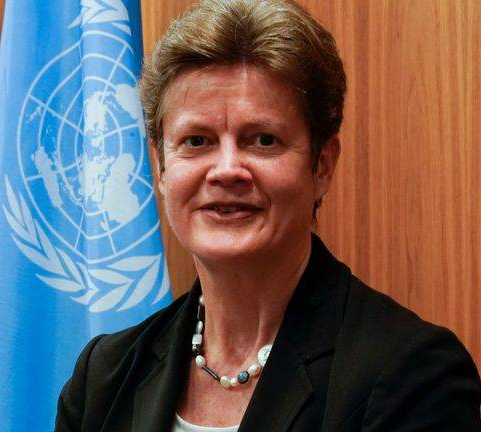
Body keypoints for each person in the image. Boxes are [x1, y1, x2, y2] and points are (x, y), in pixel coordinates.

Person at [55, 0, 481, 431]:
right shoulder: (104, 378)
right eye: (197, 141)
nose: (226, 170)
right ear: (160, 167)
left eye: (262, 140)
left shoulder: (414, 375)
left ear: (322, 165)